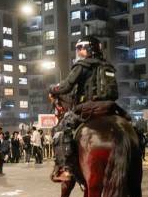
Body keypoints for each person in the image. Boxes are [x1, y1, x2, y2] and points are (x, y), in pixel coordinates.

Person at [48, 36, 119, 181]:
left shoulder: (82, 66)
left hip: (88, 107)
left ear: (88, 49)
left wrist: (52, 89)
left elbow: (66, 86)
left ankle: (64, 168)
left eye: (80, 48)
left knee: (60, 130)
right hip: (110, 107)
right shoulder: (108, 67)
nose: (79, 52)